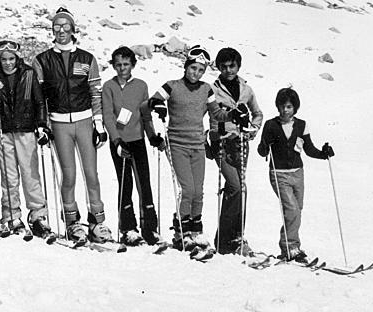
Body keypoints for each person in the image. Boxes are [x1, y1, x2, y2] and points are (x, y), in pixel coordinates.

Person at [32, 7, 113, 244]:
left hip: (84, 120)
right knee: (68, 175)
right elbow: (40, 96)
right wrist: (43, 124)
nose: (61, 31)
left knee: (91, 174)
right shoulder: (43, 60)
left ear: (73, 29)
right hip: (59, 123)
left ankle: (97, 222)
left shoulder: (87, 58)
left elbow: (95, 92)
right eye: (56, 26)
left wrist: (99, 124)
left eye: (65, 26)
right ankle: (72, 222)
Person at [142, 45, 230, 252]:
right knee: (188, 189)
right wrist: (158, 104)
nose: (196, 73)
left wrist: (233, 115)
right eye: (193, 68)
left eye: (200, 70)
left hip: (198, 145)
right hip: (177, 144)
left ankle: (196, 230)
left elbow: (217, 114)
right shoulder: (172, 86)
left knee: (198, 191)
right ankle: (181, 231)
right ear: (186, 66)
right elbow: (153, 100)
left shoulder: (206, 89)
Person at [257, 87, 334, 262]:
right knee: (291, 210)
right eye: (282, 106)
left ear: (295, 108)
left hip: (298, 173)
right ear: (277, 106)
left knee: (297, 210)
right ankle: (291, 246)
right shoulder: (271, 125)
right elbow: (262, 151)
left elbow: (309, 149)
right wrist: (266, 143)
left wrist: (324, 153)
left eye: (289, 107)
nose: (285, 110)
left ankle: (290, 247)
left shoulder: (301, 125)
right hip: (279, 173)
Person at [102, 46, 165, 246]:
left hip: (137, 140)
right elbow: (108, 116)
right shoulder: (109, 86)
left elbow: (145, 114)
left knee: (144, 183)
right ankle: (128, 228)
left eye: (126, 64)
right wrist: (116, 140)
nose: (122, 68)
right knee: (125, 183)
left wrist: (152, 136)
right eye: (118, 65)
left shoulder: (140, 86)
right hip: (119, 142)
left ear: (133, 65)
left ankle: (150, 228)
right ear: (113, 66)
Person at [0, 39, 52, 237]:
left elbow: (39, 101)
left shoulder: (28, 73)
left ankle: (38, 214)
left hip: (26, 129)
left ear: (17, 58)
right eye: (4, 59)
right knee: (9, 175)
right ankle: (11, 214)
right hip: (5, 130)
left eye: (11, 58)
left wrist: (41, 124)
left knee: (30, 173)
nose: (8, 63)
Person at [208, 47, 263, 255]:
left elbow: (257, 113)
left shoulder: (246, 89)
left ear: (238, 66)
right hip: (221, 142)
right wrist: (209, 136)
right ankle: (226, 239)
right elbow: (203, 114)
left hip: (240, 142)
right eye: (223, 66)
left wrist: (253, 129)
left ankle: (234, 237)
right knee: (235, 186)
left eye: (232, 66)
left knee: (240, 189)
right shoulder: (212, 90)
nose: (228, 70)